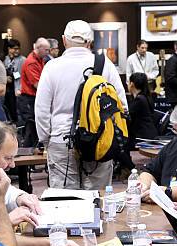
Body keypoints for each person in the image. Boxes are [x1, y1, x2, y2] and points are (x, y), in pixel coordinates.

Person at [35, 20, 127, 190]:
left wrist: (46, 140)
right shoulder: (105, 64)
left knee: (64, 200)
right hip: (98, 139)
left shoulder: (52, 67)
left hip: (62, 139)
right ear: (90, 42)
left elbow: (41, 110)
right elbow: (121, 105)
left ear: (63, 40)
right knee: (96, 197)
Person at [0, 121, 84, 246]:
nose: (13, 164)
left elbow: (8, 193)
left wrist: (20, 196)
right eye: (8, 158)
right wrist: (6, 222)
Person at [19, 38, 49, 148]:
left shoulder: (40, 59)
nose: (48, 52)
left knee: (35, 129)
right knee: (30, 129)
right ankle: (26, 159)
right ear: (39, 48)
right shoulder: (31, 62)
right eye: (46, 50)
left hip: (34, 98)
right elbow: (38, 85)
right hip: (28, 99)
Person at [127, 72, 158, 150]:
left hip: (142, 138)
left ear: (132, 84)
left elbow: (129, 118)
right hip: (150, 135)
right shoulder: (146, 97)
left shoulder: (139, 100)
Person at [3, 38, 24, 122]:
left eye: (18, 49)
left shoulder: (22, 60)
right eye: (15, 49)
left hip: (17, 88)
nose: (17, 51)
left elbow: (20, 75)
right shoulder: (5, 59)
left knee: (17, 112)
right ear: (9, 49)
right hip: (7, 89)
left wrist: (12, 75)